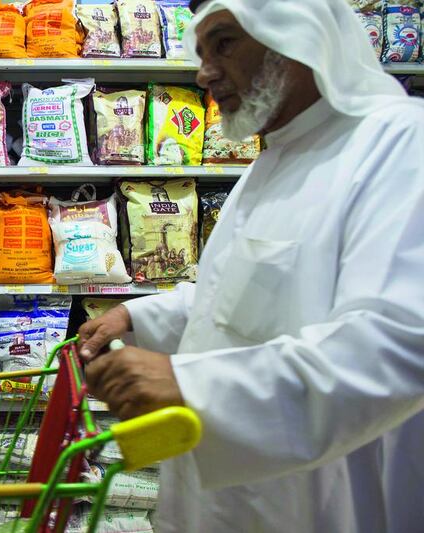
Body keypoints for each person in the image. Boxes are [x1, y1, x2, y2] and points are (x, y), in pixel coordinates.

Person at [78, 0, 424, 531]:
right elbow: (242, 288)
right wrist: (140, 317)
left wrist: (194, 386)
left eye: (224, 43)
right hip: (230, 501)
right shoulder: (279, 156)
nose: (204, 73)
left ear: (298, 32)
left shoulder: (399, 143)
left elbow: (397, 343)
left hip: (323, 500)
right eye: (200, 51)